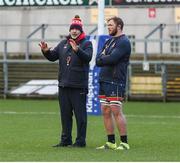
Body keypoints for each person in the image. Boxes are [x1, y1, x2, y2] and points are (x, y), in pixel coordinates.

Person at [39, 15, 93, 147]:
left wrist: (77, 50)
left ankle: (80, 141)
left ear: (81, 30)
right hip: (63, 86)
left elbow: (88, 58)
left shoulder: (86, 43)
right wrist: (45, 51)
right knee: (65, 116)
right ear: (70, 30)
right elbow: (53, 56)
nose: (74, 31)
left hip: (78, 86)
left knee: (80, 117)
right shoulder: (63, 43)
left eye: (76, 29)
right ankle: (65, 140)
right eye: (72, 29)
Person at [96, 16, 131, 150]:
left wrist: (104, 58)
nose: (109, 27)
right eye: (108, 25)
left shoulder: (124, 42)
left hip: (115, 80)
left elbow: (113, 58)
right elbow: (98, 60)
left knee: (116, 110)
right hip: (104, 79)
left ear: (119, 26)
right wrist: (105, 58)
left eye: (111, 25)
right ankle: (111, 142)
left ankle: (124, 142)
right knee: (105, 111)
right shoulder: (109, 41)